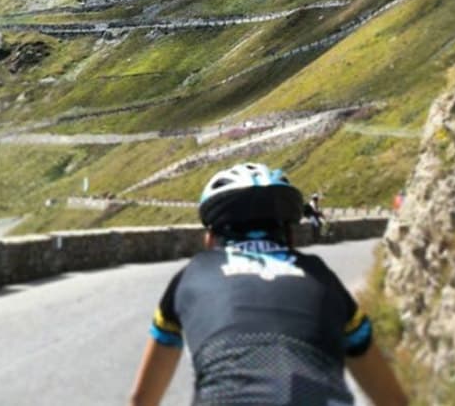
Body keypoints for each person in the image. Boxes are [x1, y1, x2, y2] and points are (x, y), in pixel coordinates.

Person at [129, 162, 407, 406]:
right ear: (290, 236)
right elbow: (393, 400)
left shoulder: (191, 275)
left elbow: (142, 400)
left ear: (210, 239)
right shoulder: (321, 276)